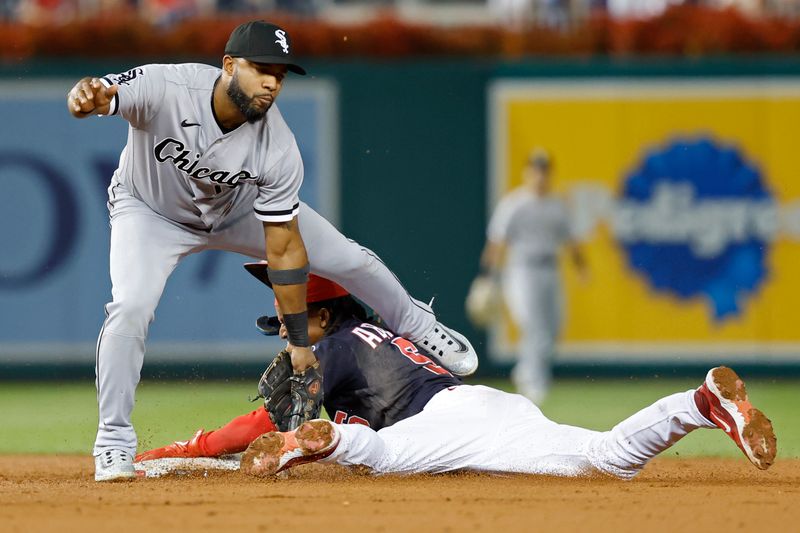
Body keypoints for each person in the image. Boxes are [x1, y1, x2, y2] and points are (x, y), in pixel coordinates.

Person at [66, 20, 478, 482]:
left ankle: (420, 325)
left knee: (349, 258)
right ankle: (113, 443)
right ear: (227, 65)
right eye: (261, 69)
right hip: (149, 211)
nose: (271, 83)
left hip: (237, 209)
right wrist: (87, 96)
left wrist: (301, 345)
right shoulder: (168, 85)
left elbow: (284, 250)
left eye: (279, 75)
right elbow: (99, 94)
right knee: (131, 306)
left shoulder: (276, 143)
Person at [135, 274, 776, 481]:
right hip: (490, 407)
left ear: (322, 313)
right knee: (603, 459)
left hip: (441, 425)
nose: (282, 331)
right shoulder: (379, 335)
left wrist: (184, 450)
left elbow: (256, 423)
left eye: (289, 319)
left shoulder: (328, 347)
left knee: (380, 456)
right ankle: (698, 404)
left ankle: (323, 442)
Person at [479, 148, 587, 404]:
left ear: (549, 173)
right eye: (535, 169)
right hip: (521, 271)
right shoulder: (514, 203)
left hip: (551, 269)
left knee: (554, 327)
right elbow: (497, 241)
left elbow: (571, 240)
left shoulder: (557, 205)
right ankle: (534, 381)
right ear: (527, 172)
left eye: (544, 170)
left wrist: (582, 268)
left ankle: (524, 370)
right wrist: (486, 276)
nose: (539, 175)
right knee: (533, 326)